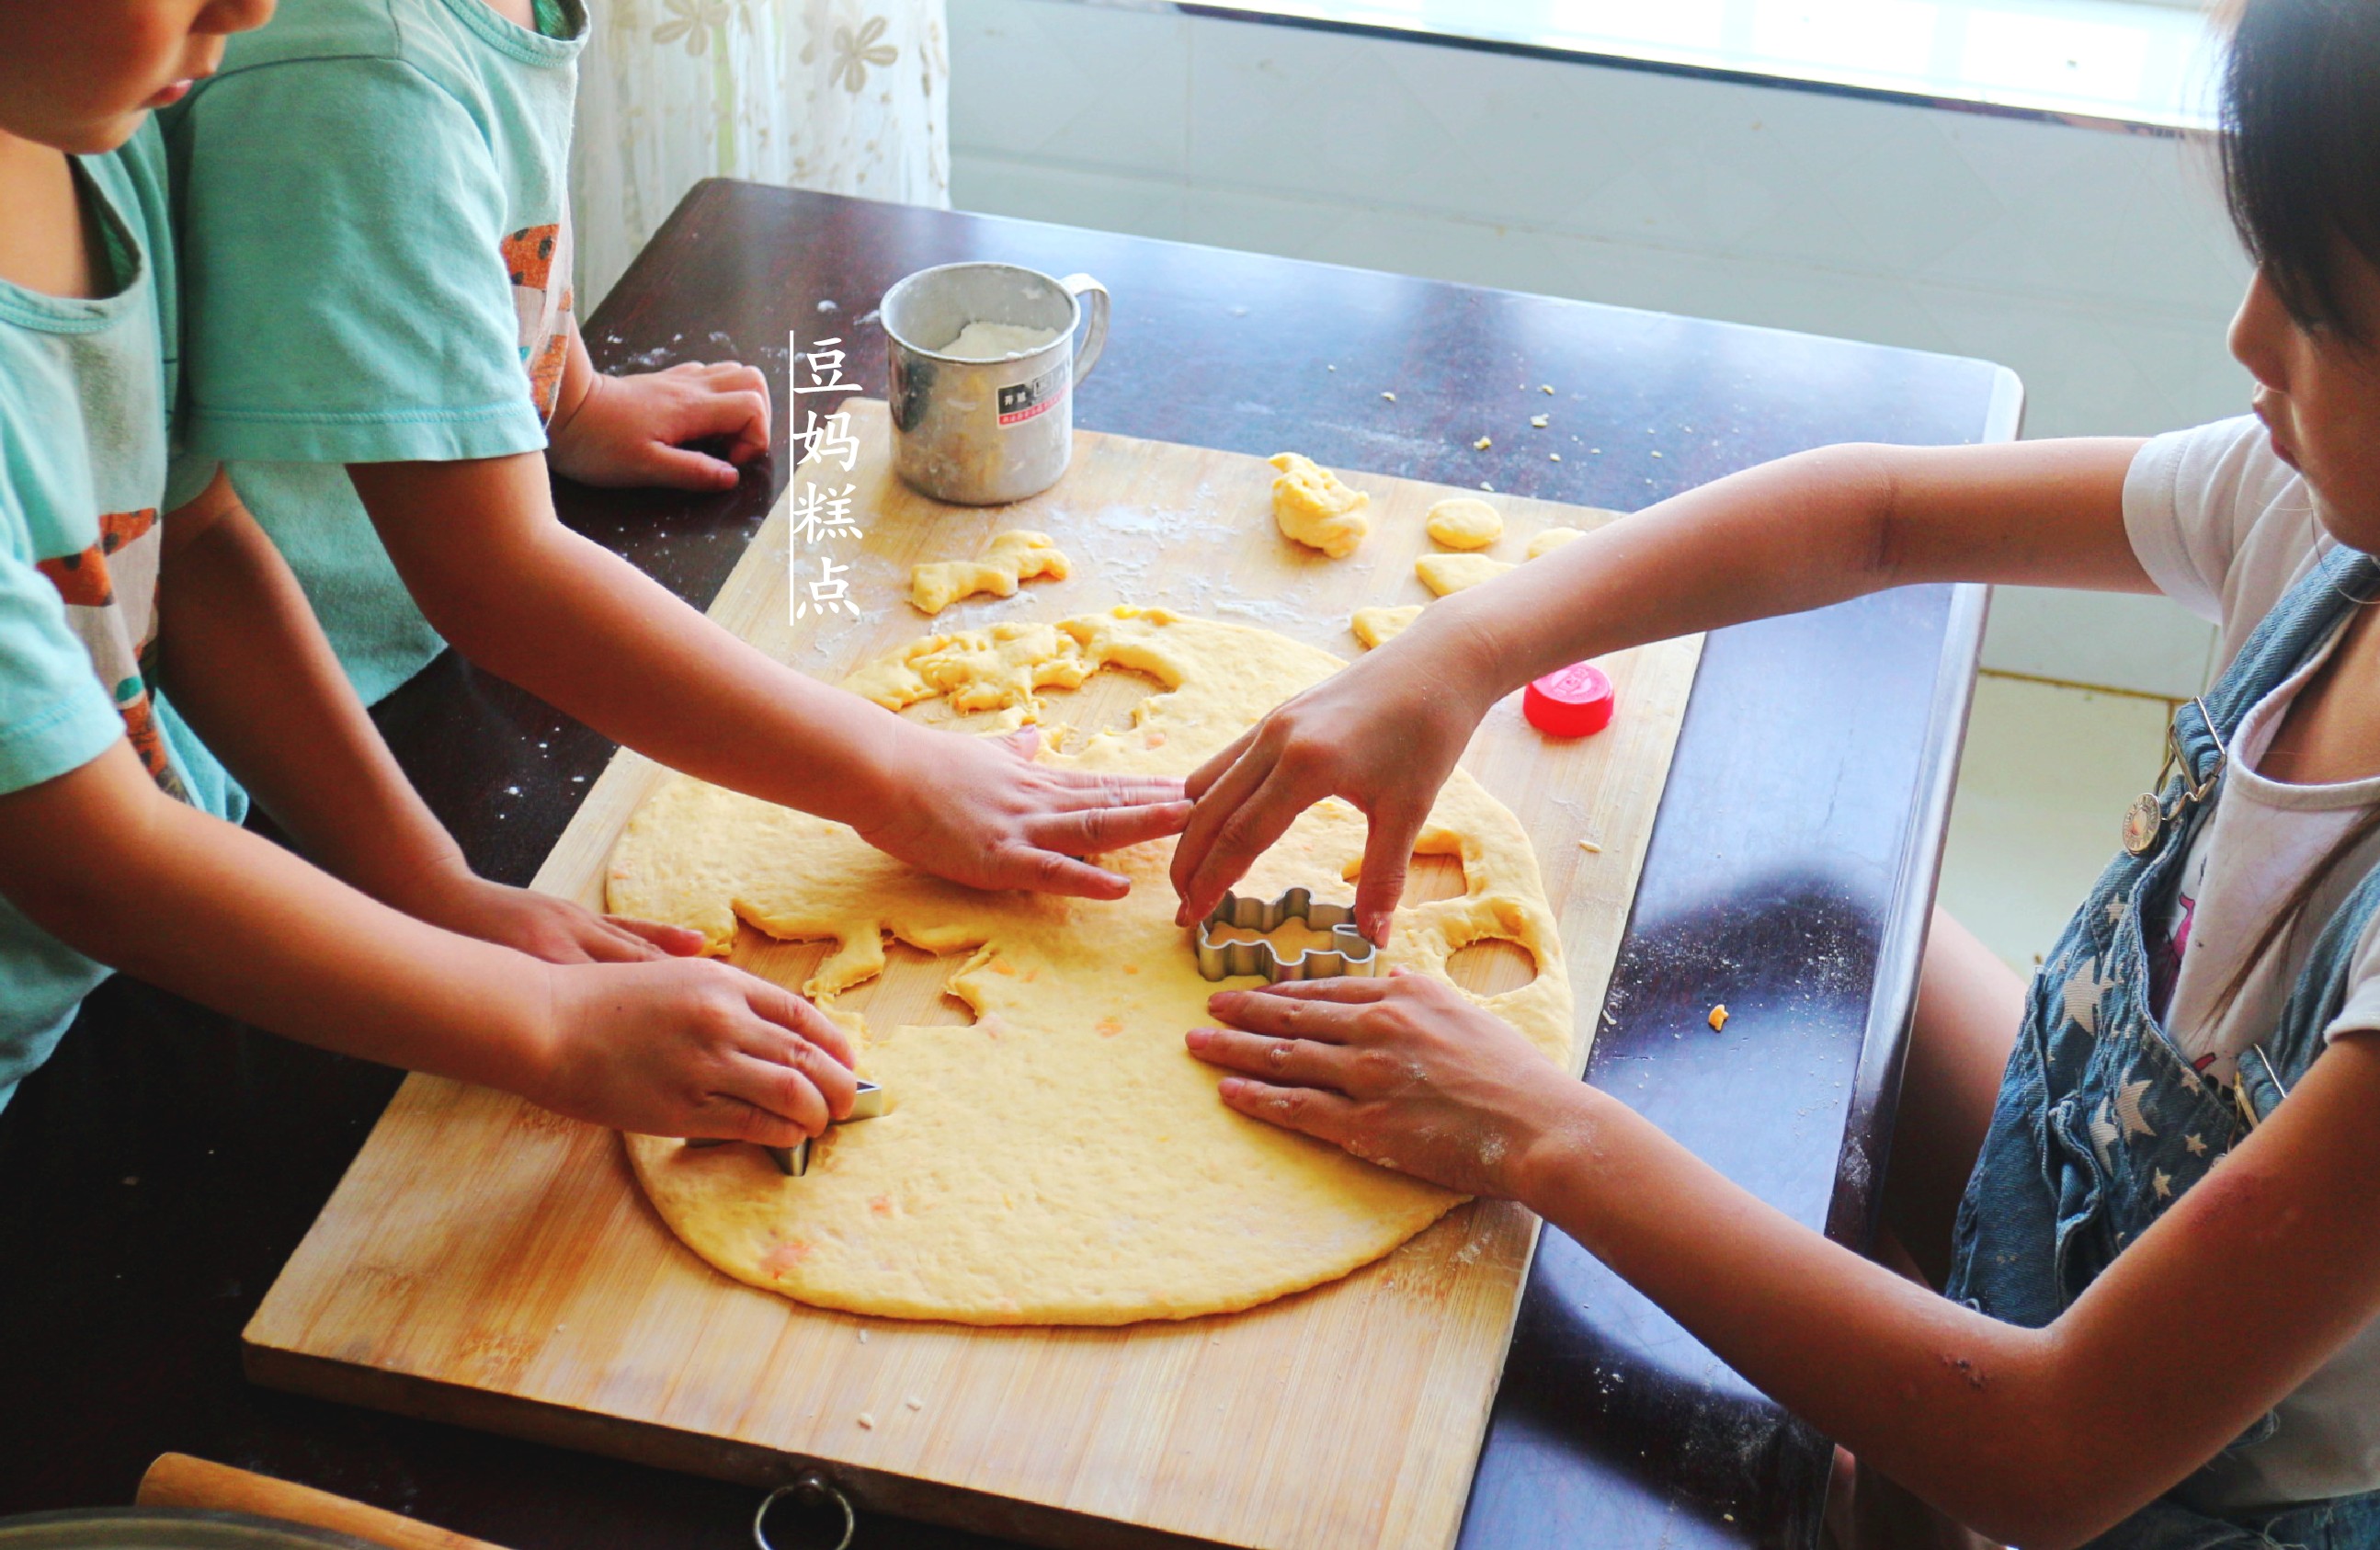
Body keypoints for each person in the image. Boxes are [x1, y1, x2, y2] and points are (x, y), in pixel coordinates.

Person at [1170, 1, 2380, 1544]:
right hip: (2066, 1195)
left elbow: (2050, 1448)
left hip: (2152, 1480)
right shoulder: (2304, 511)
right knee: (1819, 911)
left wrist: (1536, 1127)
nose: (2241, 338)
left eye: (2320, 308)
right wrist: (1457, 649)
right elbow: (1870, 512)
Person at [0, 0, 863, 1149]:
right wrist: (553, 1028)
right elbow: (93, 862)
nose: (253, 9)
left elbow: (192, 543)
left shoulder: (88, 142)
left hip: (140, 939)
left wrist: (431, 886)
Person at [159, 0, 1189, 903]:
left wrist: (567, 400)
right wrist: (898, 776)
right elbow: (493, 577)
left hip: (380, 647)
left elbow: (473, 247)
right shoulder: (356, 82)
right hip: (265, 739)